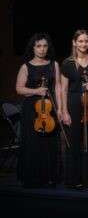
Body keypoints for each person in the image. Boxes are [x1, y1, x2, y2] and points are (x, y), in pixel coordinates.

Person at [15, 33, 62, 187]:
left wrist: (60, 109)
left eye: (45, 46)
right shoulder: (25, 66)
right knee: (33, 143)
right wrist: (36, 91)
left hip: (49, 108)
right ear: (33, 48)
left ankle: (50, 177)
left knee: (50, 143)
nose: (42, 49)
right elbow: (19, 89)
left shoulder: (54, 64)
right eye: (38, 46)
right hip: (31, 110)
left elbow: (58, 87)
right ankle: (33, 178)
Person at [59, 30, 88, 189]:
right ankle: (73, 179)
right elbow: (63, 89)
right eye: (81, 41)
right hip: (73, 103)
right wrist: (64, 111)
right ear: (74, 42)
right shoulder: (67, 63)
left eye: (87, 41)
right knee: (74, 141)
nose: (84, 44)